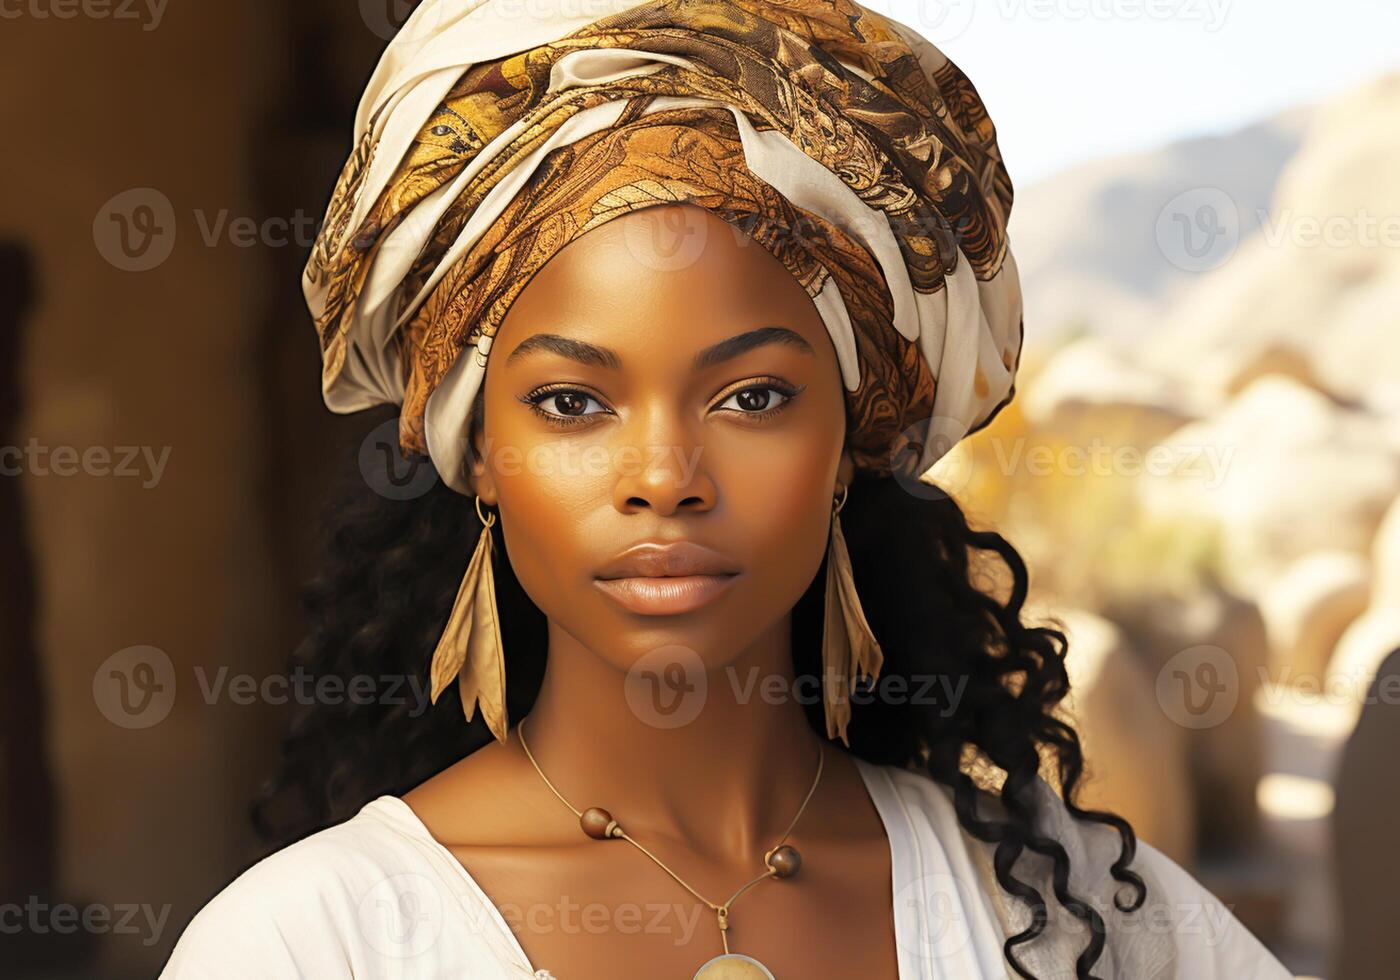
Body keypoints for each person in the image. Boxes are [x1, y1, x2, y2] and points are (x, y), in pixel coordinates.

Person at [161, 1, 1293, 977]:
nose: (664, 477)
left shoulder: (1070, 914)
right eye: (570, 402)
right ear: (479, 455)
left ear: (849, 442)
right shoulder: (313, 944)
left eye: (751, 397)